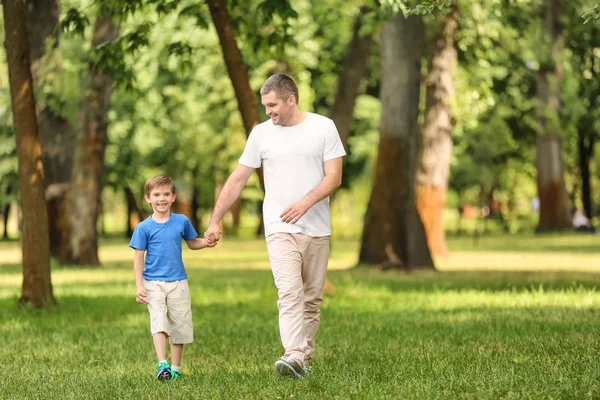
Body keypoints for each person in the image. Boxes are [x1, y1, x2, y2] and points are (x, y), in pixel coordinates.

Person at [204, 73, 346, 379]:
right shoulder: (261, 134)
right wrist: (216, 220)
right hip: (279, 227)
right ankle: (293, 353)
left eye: (272, 105)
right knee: (289, 292)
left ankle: (302, 360)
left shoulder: (323, 127)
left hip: (318, 228)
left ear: (291, 99)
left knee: (312, 297)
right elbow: (238, 178)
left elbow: (334, 177)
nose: (268, 111)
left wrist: (305, 202)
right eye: (265, 105)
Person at [129, 174, 215, 381]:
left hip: (178, 283)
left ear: (173, 197)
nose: (162, 198)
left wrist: (207, 242)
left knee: (180, 325)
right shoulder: (143, 228)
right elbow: (138, 258)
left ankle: (175, 369)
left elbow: (192, 242)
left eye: (166, 194)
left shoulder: (181, 221)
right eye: (156, 194)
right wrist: (139, 285)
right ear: (148, 198)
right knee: (158, 321)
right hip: (153, 283)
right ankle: (162, 365)